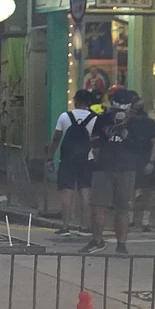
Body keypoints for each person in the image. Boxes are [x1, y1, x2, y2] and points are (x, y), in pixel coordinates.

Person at [84, 89, 141, 254]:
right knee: (112, 207)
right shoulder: (104, 119)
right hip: (113, 167)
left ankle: (109, 242)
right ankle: (112, 243)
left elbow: (94, 143)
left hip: (117, 167)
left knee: (112, 207)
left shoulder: (133, 122)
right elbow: (95, 141)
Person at [45, 89, 96, 237]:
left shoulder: (65, 117)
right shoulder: (94, 118)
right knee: (85, 192)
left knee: (67, 192)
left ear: (75, 100)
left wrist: (50, 157)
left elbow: (56, 138)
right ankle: (84, 227)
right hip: (87, 159)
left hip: (67, 159)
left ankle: (65, 226)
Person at [128, 99, 155, 232]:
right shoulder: (150, 123)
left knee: (131, 190)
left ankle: (131, 219)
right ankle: (145, 220)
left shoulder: (129, 123)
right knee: (147, 191)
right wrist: (151, 161)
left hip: (133, 159)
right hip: (144, 159)